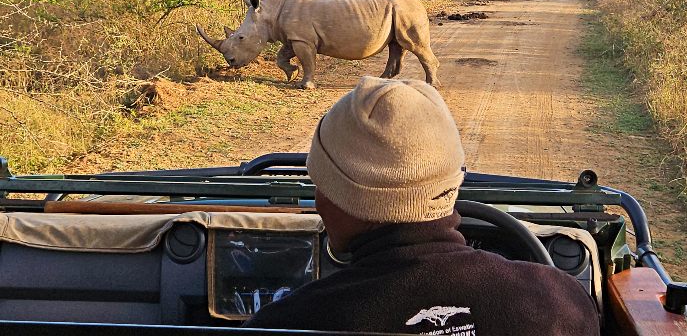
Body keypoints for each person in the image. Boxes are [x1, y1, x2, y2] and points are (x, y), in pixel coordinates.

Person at [245, 76, 599, 335]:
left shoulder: (285, 324)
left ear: (344, 200)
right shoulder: (561, 303)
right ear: (451, 183)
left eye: (321, 183)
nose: (319, 202)